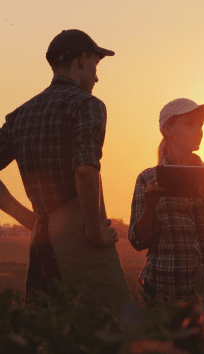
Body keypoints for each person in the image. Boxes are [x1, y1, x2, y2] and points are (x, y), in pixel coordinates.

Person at [0, 29, 131, 309]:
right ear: (82, 60)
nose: (97, 77)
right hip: (83, 248)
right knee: (112, 332)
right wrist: (94, 230)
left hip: (41, 247)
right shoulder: (87, 105)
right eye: (95, 65)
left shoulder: (19, 115)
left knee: (50, 335)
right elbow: (85, 169)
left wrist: (29, 218)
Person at [128, 98, 204, 301]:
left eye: (200, 125)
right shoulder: (147, 179)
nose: (199, 130)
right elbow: (138, 241)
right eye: (190, 124)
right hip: (166, 290)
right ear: (167, 130)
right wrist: (150, 207)